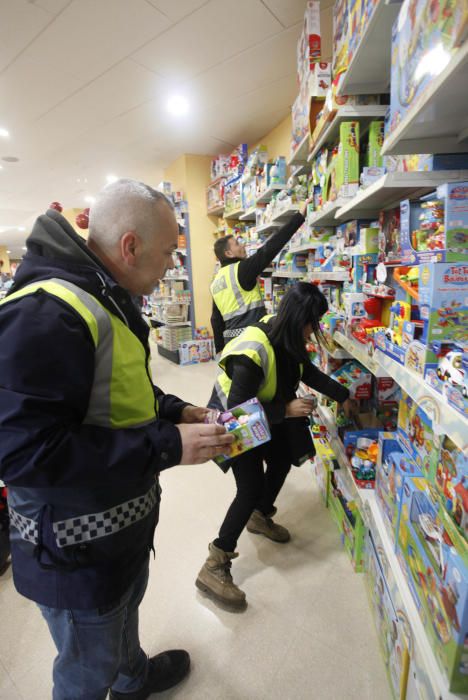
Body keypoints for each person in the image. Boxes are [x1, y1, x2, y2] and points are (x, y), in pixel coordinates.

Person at [0, 179, 233, 700]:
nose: (174, 265)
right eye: (170, 252)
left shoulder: (105, 296)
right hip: (74, 552)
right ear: (130, 247)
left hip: (114, 533)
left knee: (122, 618)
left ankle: (134, 679)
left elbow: (117, 387)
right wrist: (167, 446)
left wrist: (177, 410)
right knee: (86, 668)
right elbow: (22, 453)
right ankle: (116, 678)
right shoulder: (44, 313)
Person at [196, 283, 353, 610]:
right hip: (234, 420)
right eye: (313, 322)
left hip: (263, 413)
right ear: (300, 319)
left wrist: (347, 397)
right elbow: (237, 410)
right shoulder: (254, 349)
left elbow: (307, 371)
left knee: (282, 460)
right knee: (249, 487)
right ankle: (215, 563)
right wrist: (286, 410)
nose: (315, 330)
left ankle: (259, 515)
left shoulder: (290, 337)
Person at [210, 200, 309, 353]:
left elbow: (216, 319)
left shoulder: (215, 282)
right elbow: (269, 249)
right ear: (228, 253)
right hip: (253, 339)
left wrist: (219, 349)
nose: (242, 245)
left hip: (231, 343)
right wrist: (299, 217)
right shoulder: (241, 269)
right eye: (237, 244)